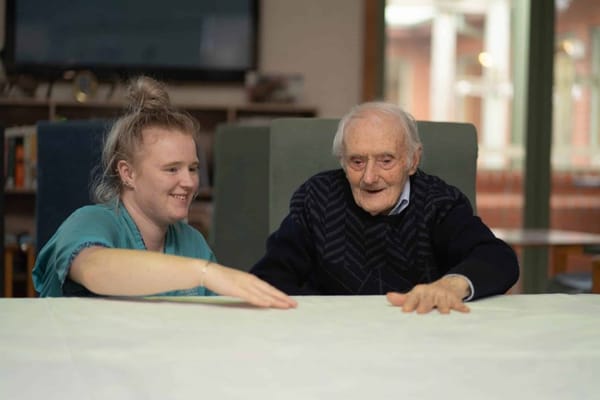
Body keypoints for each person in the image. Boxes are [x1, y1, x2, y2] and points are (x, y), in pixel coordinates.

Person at [32, 76, 296, 310]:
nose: (190, 182)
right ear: (128, 173)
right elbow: (93, 269)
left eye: (192, 168)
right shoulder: (90, 221)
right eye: (172, 169)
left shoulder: (192, 242)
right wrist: (203, 273)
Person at [251, 101, 519, 313]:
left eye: (385, 160)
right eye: (357, 161)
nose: (369, 177)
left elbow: (497, 258)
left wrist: (451, 285)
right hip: (332, 338)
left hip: (418, 336)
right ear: (343, 162)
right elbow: (271, 275)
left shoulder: (439, 203)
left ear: (413, 161)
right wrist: (329, 311)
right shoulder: (317, 197)